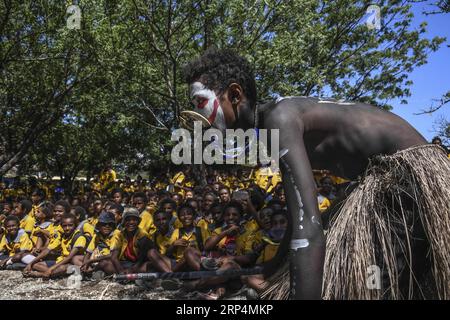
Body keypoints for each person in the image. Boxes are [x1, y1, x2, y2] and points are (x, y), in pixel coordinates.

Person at [182, 49, 450, 299]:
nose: (197, 115)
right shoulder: (271, 125)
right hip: (391, 181)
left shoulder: (280, 118)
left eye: (200, 102)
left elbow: (308, 229)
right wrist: (272, 269)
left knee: (382, 279)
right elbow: (299, 215)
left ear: (235, 94)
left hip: (410, 179)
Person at [24, 213, 87, 278]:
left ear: (75, 226)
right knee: (35, 265)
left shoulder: (79, 237)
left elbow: (69, 257)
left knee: (62, 268)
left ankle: (40, 274)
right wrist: (30, 263)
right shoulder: (62, 236)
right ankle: (51, 273)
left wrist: (50, 269)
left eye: (70, 225)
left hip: (71, 263)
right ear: (61, 226)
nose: (67, 228)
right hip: (60, 261)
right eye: (64, 226)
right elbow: (48, 250)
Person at [108, 207, 153, 274]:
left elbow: (142, 258)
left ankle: (130, 275)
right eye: (128, 220)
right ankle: (128, 275)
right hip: (124, 263)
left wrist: (132, 269)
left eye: (134, 220)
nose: (131, 222)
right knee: (104, 263)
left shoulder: (143, 235)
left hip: (139, 264)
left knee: (149, 266)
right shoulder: (120, 234)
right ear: (124, 222)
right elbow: (114, 256)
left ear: (138, 222)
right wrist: (121, 271)